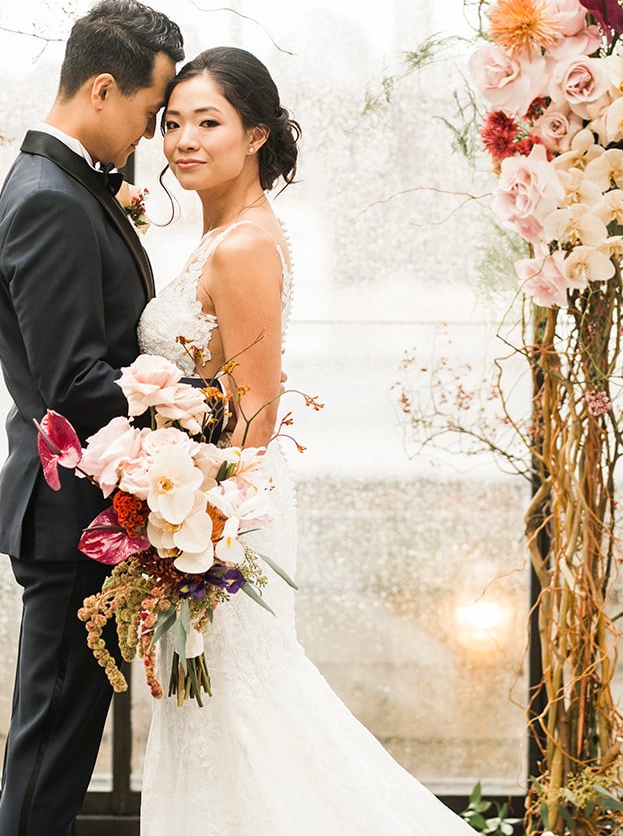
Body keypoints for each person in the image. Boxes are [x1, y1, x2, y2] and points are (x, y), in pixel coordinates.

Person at [136, 46, 476, 834]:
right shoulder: (221, 235)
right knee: (210, 701)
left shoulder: (246, 242)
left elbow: (258, 397)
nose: (184, 139)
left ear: (255, 133)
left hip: (227, 509)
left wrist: (212, 525)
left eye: (208, 122)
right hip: (204, 495)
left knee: (245, 697)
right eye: (173, 123)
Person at [0, 0, 183, 836]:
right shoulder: (51, 199)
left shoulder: (64, 186)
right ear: (102, 89)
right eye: (148, 111)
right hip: (71, 517)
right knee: (50, 760)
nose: (147, 136)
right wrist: (191, 404)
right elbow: (73, 381)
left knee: (56, 752)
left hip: (81, 513)